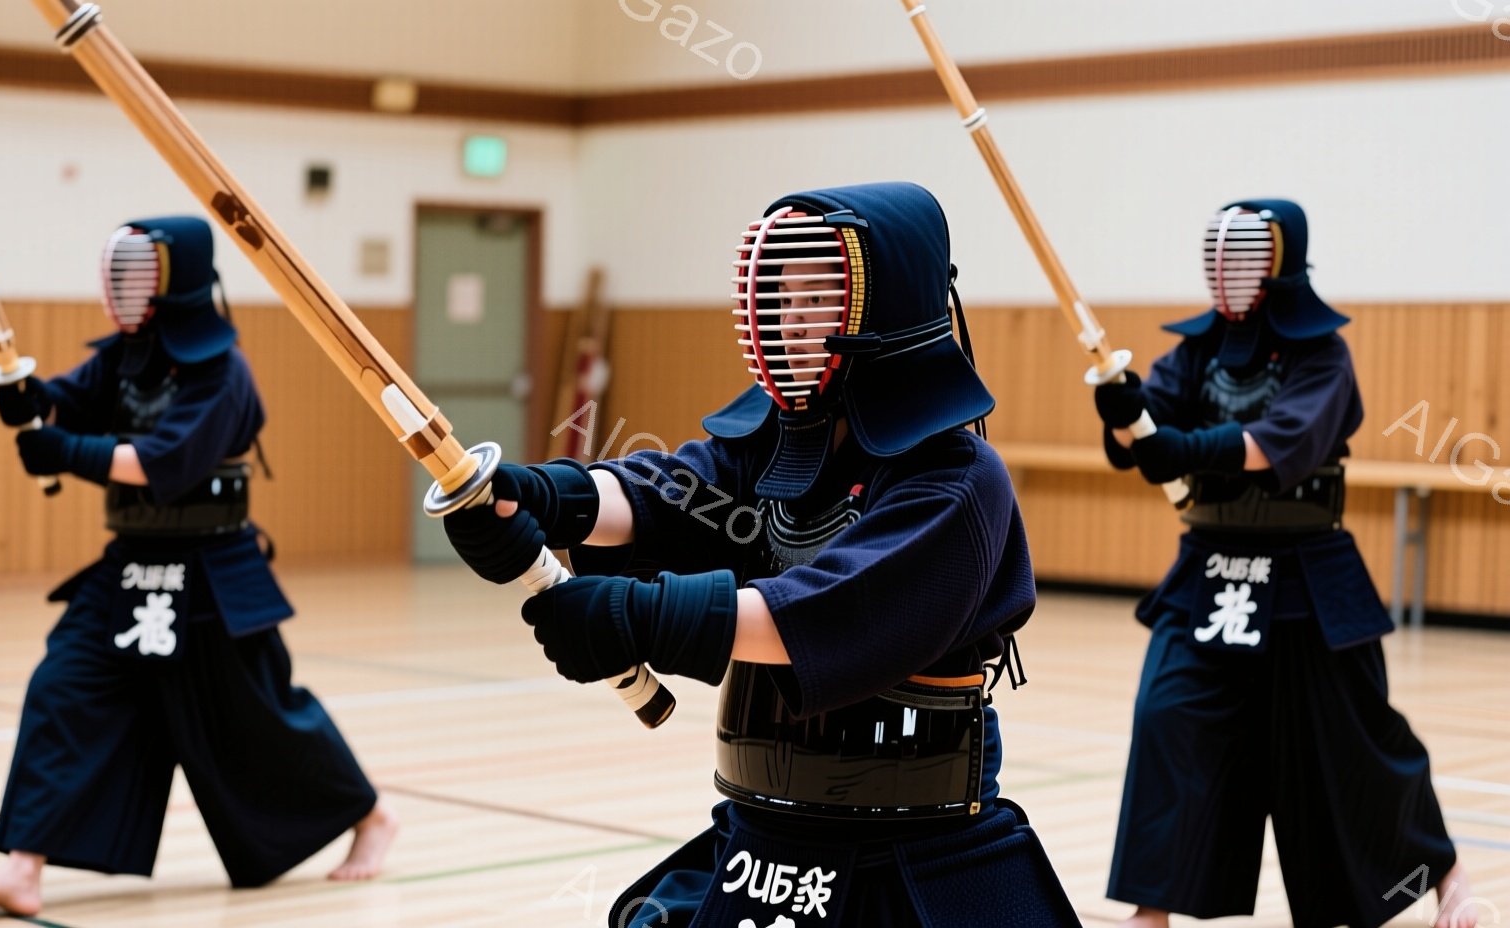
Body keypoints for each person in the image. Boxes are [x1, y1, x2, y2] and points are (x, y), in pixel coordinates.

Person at [446, 182, 1079, 927]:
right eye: (781, 298)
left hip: (912, 841)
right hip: (765, 835)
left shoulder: (958, 479)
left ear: (887, 313)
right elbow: (670, 491)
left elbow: (841, 605)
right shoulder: (776, 448)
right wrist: (548, 497)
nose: (790, 321)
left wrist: (641, 616)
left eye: (818, 301)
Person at [0, 216, 397, 917]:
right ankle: (22, 870)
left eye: (140, 272)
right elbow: (72, 395)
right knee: (64, 686)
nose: (124, 289)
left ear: (173, 278)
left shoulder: (222, 374)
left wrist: (65, 451)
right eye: (119, 272)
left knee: (260, 715)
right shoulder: (129, 352)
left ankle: (370, 818)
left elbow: (160, 467)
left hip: (212, 569)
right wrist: (32, 400)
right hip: (130, 565)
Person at [1095, 199, 1475, 928]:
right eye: (1220, 257)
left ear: (1279, 263)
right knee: (1169, 718)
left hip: (1305, 573)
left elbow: (1278, 443)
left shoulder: (1322, 354)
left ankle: (1446, 872)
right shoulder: (1196, 351)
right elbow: (1146, 439)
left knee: (1349, 744)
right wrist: (1123, 410)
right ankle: (1153, 910)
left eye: (1244, 258)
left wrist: (1181, 446)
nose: (1227, 273)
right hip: (1209, 569)